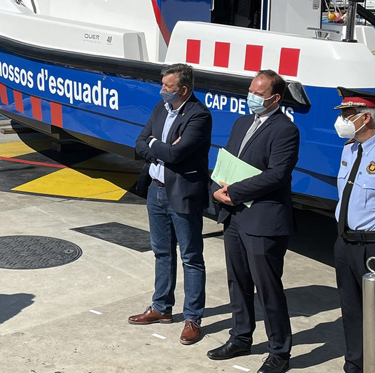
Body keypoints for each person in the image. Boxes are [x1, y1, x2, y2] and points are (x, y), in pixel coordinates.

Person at [209, 69, 299, 373]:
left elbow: (277, 174)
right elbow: (227, 162)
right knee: (238, 281)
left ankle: (279, 352)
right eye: (251, 90)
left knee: (268, 287)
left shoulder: (285, 130)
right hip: (234, 216)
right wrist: (217, 189)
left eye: (258, 94)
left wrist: (233, 192)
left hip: (263, 219)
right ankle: (241, 336)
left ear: (274, 98)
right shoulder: (242, 122)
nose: (252, 97)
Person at [128, 63, 212, 345]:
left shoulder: (199, 115)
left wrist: (156, 147)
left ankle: (192, 318)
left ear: (184, 89)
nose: (162, 90)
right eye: (162, 85)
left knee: (190, 256)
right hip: (156, 190)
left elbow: (177, 154)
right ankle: (161, 307)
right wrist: (157, 149)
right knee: (161, 252)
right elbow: (140, 142)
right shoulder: (160, 109)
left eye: (168, 86)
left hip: (183, 193)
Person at [332, 87, 375, 373]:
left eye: (349, 114)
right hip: (346, 243)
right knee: (352, 311)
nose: (343, 120)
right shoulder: (350, 148)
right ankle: (356, 365)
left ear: (367, 118)